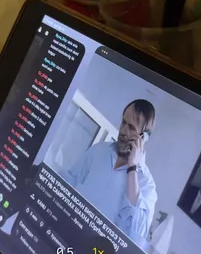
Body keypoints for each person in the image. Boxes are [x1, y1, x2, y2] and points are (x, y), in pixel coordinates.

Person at [62, 100, 157, 240]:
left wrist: (132, 168)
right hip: (67, 230)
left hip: (95, 249)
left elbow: (137, 235)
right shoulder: (99, 150)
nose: (123, 131)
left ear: (143, 138)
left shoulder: (146, 185)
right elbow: (68, 183)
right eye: (123, 122)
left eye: (131, 127)